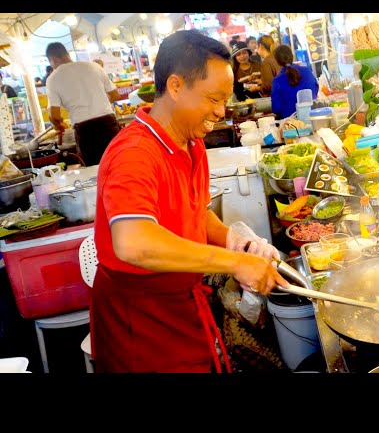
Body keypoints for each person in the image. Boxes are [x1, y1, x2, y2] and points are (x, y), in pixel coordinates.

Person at [91, 29, 289, 373]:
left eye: (224, 99)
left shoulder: (191, 142)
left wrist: (236, 241)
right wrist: (233, 263)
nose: (220, 111)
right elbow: (133, 243)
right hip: (141, 325)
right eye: (213, 99)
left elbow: (195, 212)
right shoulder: (135, 153)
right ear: (176, 86)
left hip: (182, 307)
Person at [45, 42, 121, 166]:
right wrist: (99, 103)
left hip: (86, 131)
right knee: (120, 163)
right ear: (67, 54)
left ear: (52, 59)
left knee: (95, 171)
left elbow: (54, 116)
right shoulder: (94, 66)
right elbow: (115, 95)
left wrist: (57, 125)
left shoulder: (53, 78)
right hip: (109, 124)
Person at [270, 45, 319, 119]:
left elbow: (276, 108)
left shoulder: (277, 80)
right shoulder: (307, 71)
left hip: (291, 124)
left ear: (277, 61)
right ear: (292, 56)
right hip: (312, 117)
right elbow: (315, 89)